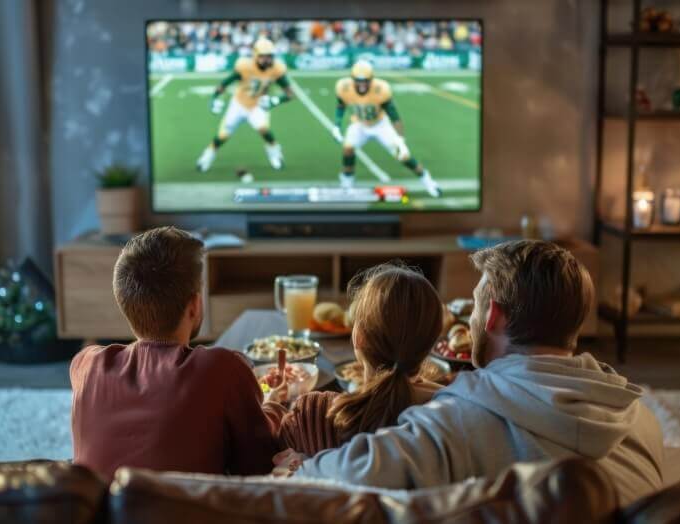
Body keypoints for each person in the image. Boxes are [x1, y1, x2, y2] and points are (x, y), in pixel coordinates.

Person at [289, 240, 664, 504]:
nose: (470, 318)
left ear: (494, 316)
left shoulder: (455, 425)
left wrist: (307, 459)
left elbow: (324, 484)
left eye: (474, 306)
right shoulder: (643, 418)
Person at [70, 227, 282, 479]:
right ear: (194, 305)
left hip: (104, 510)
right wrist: (275, 408)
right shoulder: (223, 369)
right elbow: (259, 467)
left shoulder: (85, 365)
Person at [274, 263, 444, 457]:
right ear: (431, 341)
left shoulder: (312, 414)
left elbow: (270, 464)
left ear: (358, 337)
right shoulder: (453, 411)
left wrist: (272, 406)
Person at [331, 60, 442, 197]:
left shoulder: (381, 89)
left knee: (403, 156)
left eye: (365, 81)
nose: (362, 84)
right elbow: (341, 105)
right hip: (359, 124)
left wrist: (400, 140)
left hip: (380, 125)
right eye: (358, 81)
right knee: (348, 148)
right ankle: (347, 182)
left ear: (371, 79)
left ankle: (427, 180)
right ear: (352, 79)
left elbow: (395, 117)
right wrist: (337, 124)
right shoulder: (344, 87)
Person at [197, 37, 294, 173]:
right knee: (223, 135)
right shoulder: (245, 66)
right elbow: (225, 83)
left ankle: (275, 154)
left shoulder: (276, 69)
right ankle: (208, 154)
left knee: (263, 129)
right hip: (239, 104)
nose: (267, 60)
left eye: (270, 56)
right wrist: (214, 98)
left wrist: (274, 101)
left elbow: (290, 94)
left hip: (258, 105)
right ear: (255, 55)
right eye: (264, 57)